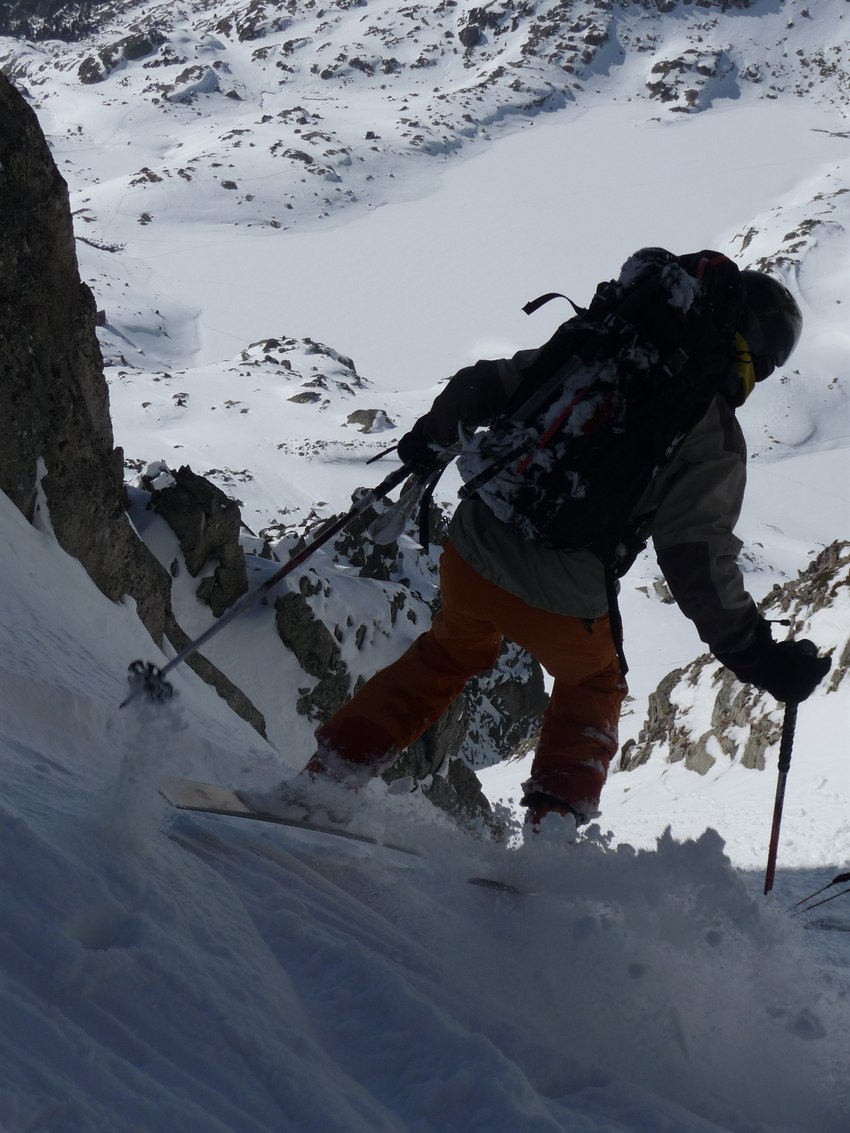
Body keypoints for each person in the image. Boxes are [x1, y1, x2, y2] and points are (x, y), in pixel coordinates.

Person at [299, 248, 831, 828]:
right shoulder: (712, 432)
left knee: (445, 655)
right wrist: (760, 658)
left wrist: (427, 440)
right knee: (593, 684)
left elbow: (486, 383)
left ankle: (329, 779)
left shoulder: (600, 343)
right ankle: (549, 842)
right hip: (565, 593)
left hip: (474, 544)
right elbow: (694, 562)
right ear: (755, 358)